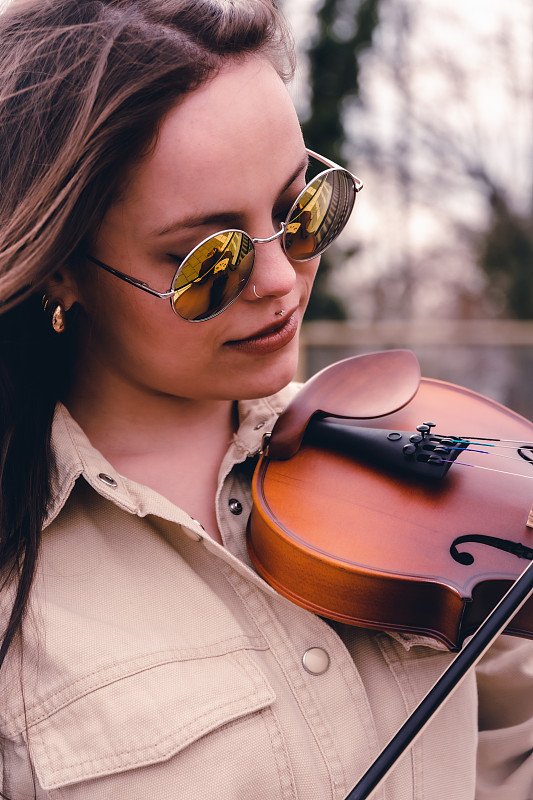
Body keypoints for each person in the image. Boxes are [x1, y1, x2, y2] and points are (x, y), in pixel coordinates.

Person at [0, 1, 532, 798]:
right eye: (209, 260)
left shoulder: (425, 485)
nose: (281, 279)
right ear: (61, 268)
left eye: (299, 211)